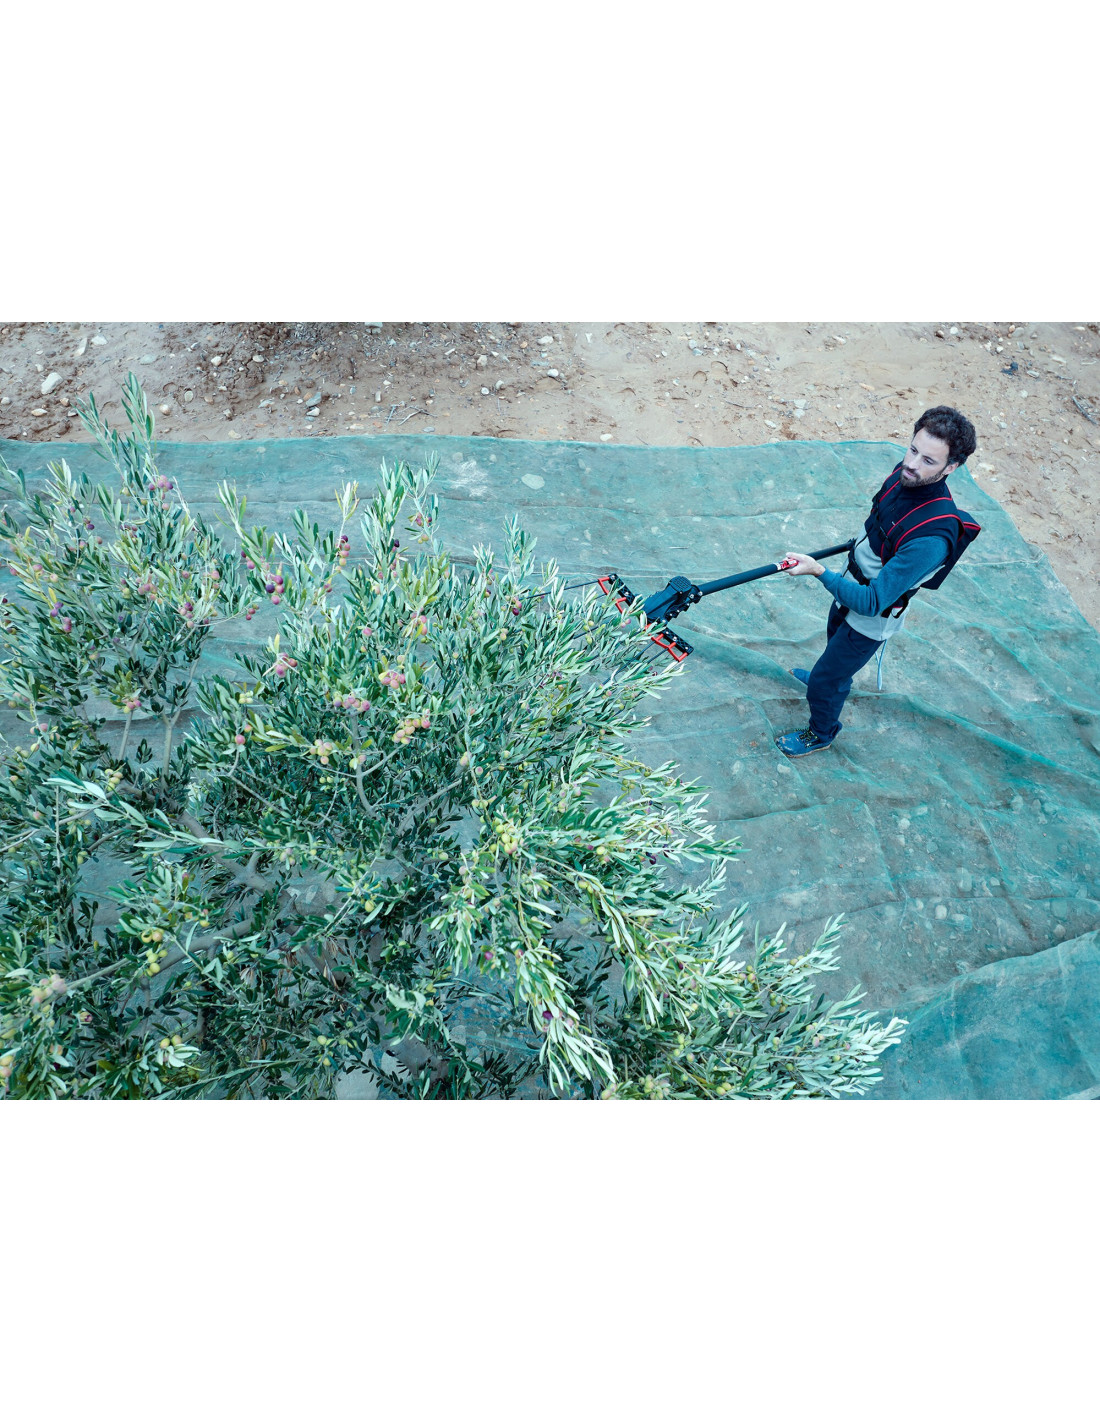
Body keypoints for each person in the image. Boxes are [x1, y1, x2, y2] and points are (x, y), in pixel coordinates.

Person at [774, 405, 979, 758]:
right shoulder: (905, 475)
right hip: (848, 586)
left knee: (825, 680)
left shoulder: (932, 539)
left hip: (869, 617)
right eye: (913, 450)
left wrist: (819, 572)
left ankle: (821, 732)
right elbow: (876, 525)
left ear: (951, 467)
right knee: (832, 651)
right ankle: (831, 679)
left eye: (929, 460)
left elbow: (871, 603)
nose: (912, 464)